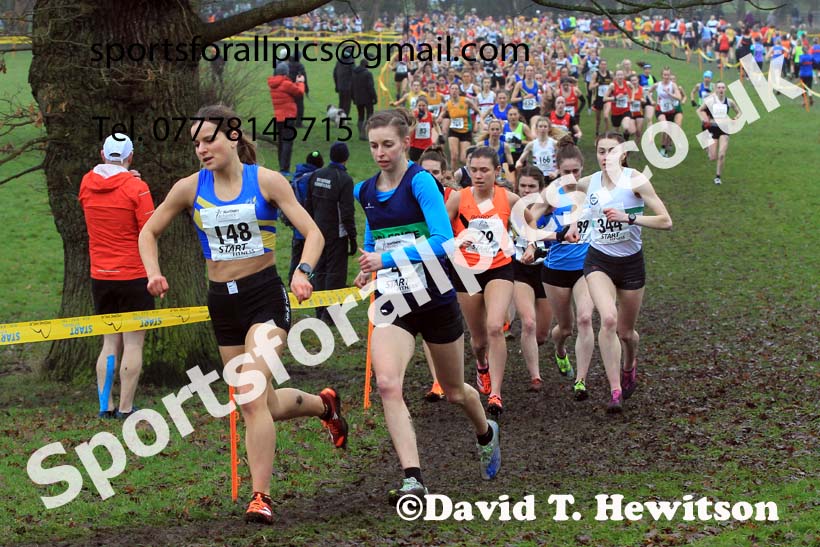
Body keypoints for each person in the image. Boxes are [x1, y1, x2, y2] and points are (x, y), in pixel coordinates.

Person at [138, 104, 347, 525]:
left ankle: (261, 497)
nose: (201, 149)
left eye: (208, 139)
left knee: (250, 395)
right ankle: (325, 406)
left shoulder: (266, 181)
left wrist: (304, 272)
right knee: (261, 402)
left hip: (265, 299)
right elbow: (149, 230)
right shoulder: (188, 188)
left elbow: (313, 233)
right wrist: (154, 273)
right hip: (223, 304)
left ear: (232, 136)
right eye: (196, 142)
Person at [354, 109, 501, 503]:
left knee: (454, 391)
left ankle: (485, 432)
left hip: (433, 297)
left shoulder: (421, 183)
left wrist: (384, 260)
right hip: (392, 301)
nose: (381, 153)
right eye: (374, 146)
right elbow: (374, 235)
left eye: (388, 144)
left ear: (405, 143)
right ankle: (413, 478)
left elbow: (442, 241)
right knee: (387, 384)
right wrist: (368, 266)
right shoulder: (365, 191)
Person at [571, 132, 672, 412]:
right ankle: (615, 390)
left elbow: (666, 221)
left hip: (630, 263)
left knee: (627, 334)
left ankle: (629, 365)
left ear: (623, 154)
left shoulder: (635, 180)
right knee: (609, 319)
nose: (606, 157)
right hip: (598, 261)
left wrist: (629, 218)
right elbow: (578, 211)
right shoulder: (586, 183)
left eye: (612, 151)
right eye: (602, 151)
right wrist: (573, 226)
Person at [79, 133, 155, 419]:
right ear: (130, 157)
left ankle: (104, 405)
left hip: (100, 275)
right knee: (133, 342)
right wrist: (133, 181)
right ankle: (125, 407)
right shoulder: (138, 188)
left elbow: (105, 187)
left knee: (109, 342)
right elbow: (150, 228)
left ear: (102, 154)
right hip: (134, 274)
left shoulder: (86, 183)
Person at [447, 146, 521, 416]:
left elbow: (530, 225)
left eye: (484, 170)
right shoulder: (458, 198)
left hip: (499, 268)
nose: (478, 175)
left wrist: (530, 245)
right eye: (473, 170)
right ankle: (482, 366)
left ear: (497, 171)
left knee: (494, 327)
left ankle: (496, 394)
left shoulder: (509, 198)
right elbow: (441, 230)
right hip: (466, 271)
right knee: (478, 341)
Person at [525, 138, 595, 399]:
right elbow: (528, 226)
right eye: (566, 172)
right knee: (564, 328)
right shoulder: (551, 196)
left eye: (576, 171)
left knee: (586, 318)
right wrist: (547, 238)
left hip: (587, 267)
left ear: (582, 168)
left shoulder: (592, 191)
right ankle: (560, 349)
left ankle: (580, 381)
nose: (571, 176)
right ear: (557, 169)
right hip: (555, 270)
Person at [509, 166, 552, 391]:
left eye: (532, 187)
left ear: (541, 189)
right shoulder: (510, 210)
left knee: (542, 334)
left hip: (547, 272)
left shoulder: (551, 210)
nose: (527, 191)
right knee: (528, 322)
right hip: (520, 271)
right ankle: (535, 377)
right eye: (523, 186)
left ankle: (540, 347)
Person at [305, 142, 357, 323]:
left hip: (317, 232)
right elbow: (347, 212)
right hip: (336, 234)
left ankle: (320, 311)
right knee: (335, 274)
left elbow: (308, 204)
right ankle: (332, 316)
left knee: (319, 271)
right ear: (346, 158)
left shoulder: (316, 175)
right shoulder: (344, 179)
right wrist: (352, 237)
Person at [286, 151, 325, 282]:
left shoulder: (298, 177)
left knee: (296, 258)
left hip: (297, 229)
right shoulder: (316, 179)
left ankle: (291, 283)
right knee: (312, 259)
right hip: (313, 228)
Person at [697, 81, 741, 185]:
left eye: (723, 87)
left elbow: (739, 112)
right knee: (712, 157)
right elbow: (699, 110)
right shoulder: (710, 101)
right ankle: (704, 140)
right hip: (712, 128)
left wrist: (735, 118)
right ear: (716, 89)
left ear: (725, 89)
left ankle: (718, 177)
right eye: (719, 88)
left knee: (721, 154)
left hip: (724, 129)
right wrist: (704, 120)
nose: (721, 89)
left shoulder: (729, 101)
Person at [267, 62, 305, 176]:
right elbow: (299, 93)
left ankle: (281, 166)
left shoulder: (274, 84)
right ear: (285, 72)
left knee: (281, 142)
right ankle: (285, 168)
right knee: (288, 142)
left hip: (278, 117)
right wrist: (300, 82)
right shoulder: (286, 84)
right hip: (288, 116)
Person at [515, 116, 558, 180]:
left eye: (545, 126)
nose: (543, 129)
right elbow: (520, 160)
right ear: (536, 129)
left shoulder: (554, 143)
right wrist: (518, 164)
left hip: (551, 176)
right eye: (540, 126)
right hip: (538, 176)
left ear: (549, 128)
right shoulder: (531, 144)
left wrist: (556, 172)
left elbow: (561, 162)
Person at [352, 59, 377, 141]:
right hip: (367, 98)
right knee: (369, 115)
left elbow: (351, 86)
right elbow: (370, 87)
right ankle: (364, 133)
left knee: (360, 116)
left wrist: (353, 97)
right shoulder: (368, 74)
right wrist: (375, 97)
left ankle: (360, 133)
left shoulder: (354, 73)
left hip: (358, 98)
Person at [287, 52, 308, 127]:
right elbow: (303, 78)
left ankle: (290, 123)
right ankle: (299, 123)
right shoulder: (300, 66)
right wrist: (306, 89)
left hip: (288, 88)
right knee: (300, 107)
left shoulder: (287, 64)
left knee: (290, 106)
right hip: (297, 88)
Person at [333, 50, 354, 115]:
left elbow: (334, 74)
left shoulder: (339, 62)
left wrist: (336, 85)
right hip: (348, 87)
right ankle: (344, 119)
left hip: (340, 86)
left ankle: (339, 117)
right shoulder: (351, 63)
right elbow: (354, 75)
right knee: (347, 104)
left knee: (341, 103)